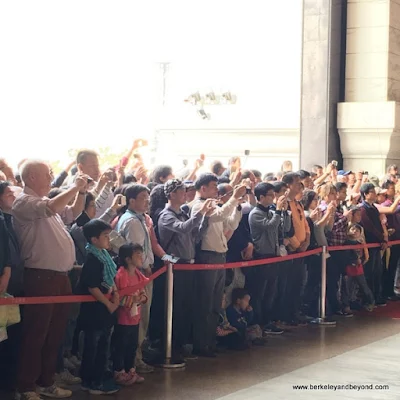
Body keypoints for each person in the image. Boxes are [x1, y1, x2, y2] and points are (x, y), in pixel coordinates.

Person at [13, 160, 88, 400]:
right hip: (40, 275)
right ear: (32, 177)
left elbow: (74, 213)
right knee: (36, 333)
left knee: (55, 333)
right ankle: (26, 386)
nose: (51, 177)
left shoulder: (47, 205)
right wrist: (74, 187)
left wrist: (83, 191)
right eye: (48, 174)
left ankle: (47, 381)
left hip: (59, 276)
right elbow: (51, 208)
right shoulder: (25, 202)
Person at [190, 173, 246, 357]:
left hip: (220, 255)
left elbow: (230, 222)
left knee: (215, 302)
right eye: (213, 186)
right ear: (203, 188)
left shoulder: (213, 204)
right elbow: (218, 215)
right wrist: (234, 197)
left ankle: (211, 340)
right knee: (205, 302)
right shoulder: (198, 205)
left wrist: (236, 205)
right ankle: (201, 343)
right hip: (207, 256)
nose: (216, 189)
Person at [157, 179, 213, 359]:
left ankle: (182, 344)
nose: (185, 195)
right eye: (182, 191)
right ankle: (172, 347)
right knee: (175, 308)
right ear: (172, 194)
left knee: (186, 306)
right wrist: (200, 214)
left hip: (188, 262)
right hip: (175, 265)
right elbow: (182, 229)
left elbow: (194, 235)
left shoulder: (183, 213)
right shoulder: (166, 215)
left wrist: (206, 218)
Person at [116, 184, 166, 373]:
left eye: (148, 197)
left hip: (144, 271)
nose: (147, 201)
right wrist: (142, 270)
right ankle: (132, 360)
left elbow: (152, 244)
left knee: (141, 317)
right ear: (131, 201)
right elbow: (136, 252)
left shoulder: (144, 219)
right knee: (137, 317)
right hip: (138, 274)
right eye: (143, 197)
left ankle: (135, 357)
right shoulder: (131, 222)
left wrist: (168, 259)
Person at [78, 219, 120, 395]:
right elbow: (92, 286)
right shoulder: (92, 258)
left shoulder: (105, 256)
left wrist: (115, 294)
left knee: (104, 344)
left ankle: (101, 376)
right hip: (94, 311)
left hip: (105, 310)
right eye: (105, 236)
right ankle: (91, 380)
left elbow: (110, 279)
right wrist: (108, 303)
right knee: (93, 346)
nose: (108, 239)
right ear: (94, 239)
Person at [248, 182, 286, 335]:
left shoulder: (270, 211)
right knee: (261, 292)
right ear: (261, 197)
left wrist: (283, 211)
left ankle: (268, 320)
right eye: (270, 195)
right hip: (262, 256)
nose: (273, 198)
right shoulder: (255, 213)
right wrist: (277, 211)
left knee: (271, 291)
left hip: (273, 255)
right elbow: (270, 226)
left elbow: (281, 228)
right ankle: (260, 322)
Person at [112, 244, 147, 385]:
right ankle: (119, 371)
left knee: (132, 345)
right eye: (137, 254)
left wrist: (141, 298)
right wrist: (133, 300)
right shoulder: (121, 274)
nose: (141, 257)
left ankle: (130, 368)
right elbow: (118, 297)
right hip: (123, 318)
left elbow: (143, 291)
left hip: (135, 317)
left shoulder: (139, 274)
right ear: (127, 259)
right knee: (121, 345)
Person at [281, 172, 310, 325]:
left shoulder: (298, 203)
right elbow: (286, 229)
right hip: (292, 250)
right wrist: (297, 245)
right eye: (297, 182)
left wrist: (307, 240)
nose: (300, 185)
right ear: (288, 185)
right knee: (289, 285)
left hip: (302, 249)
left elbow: (304, 224)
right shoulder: (284, 203)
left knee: (299, 283)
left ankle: (296, 312)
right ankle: (287, 314)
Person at [359, 183, 387, 307]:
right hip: (369, 243)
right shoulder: (363, 209)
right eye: (372, 192)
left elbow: (378, 224)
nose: (375, 194)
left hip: (376, 243)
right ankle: (368, 298)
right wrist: (381, 237)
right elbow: (369, 226)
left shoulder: (374, 208)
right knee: (369, 271)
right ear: (365, 194)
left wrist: (383, 238)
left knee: (377, 271)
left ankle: (376, 295)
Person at [344, 224, 375, 311]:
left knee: (363, 285)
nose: (354, 231)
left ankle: (371, 301)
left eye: (357, 230)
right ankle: (350, 302)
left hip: (358, 267)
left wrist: (362, 261)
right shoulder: (346, 242)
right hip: (349, 267)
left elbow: (365, 255)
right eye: (353, 229)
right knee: (348, 287)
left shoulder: (361, 243)